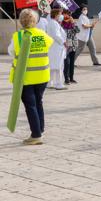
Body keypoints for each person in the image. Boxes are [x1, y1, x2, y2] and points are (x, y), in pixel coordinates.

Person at [8, 9, 53, 145]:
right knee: (38, 102)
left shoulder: (18, 36)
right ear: (35, 21)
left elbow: (11, 52)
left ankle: (36, 134)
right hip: (42, 76)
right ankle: (40, 129)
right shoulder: (42, 34)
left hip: (25, 77)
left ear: (21, 21)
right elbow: (49, 46)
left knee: (30, 105)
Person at [46, 8, 67, 90]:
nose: (60, 16)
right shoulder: (54, 23)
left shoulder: (52, 23)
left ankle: (50, 82)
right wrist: (63, 42)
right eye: (59, 14)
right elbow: (56, 35)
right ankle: (59, 83)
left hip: (53, 47)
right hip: (57, 47)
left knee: (53, 65)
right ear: (55, 15)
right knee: (59, 66)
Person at [62, 9, 79, 85]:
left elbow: (78, 31)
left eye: (68, 14)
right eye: (65, 14)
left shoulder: (72, 23)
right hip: (66, 45)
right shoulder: (61, 23)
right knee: (67, 62)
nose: (67, 16)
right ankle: (66, 78)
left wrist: (73, 23)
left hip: (73, 44)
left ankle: (71, 78)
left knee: (72, 62)